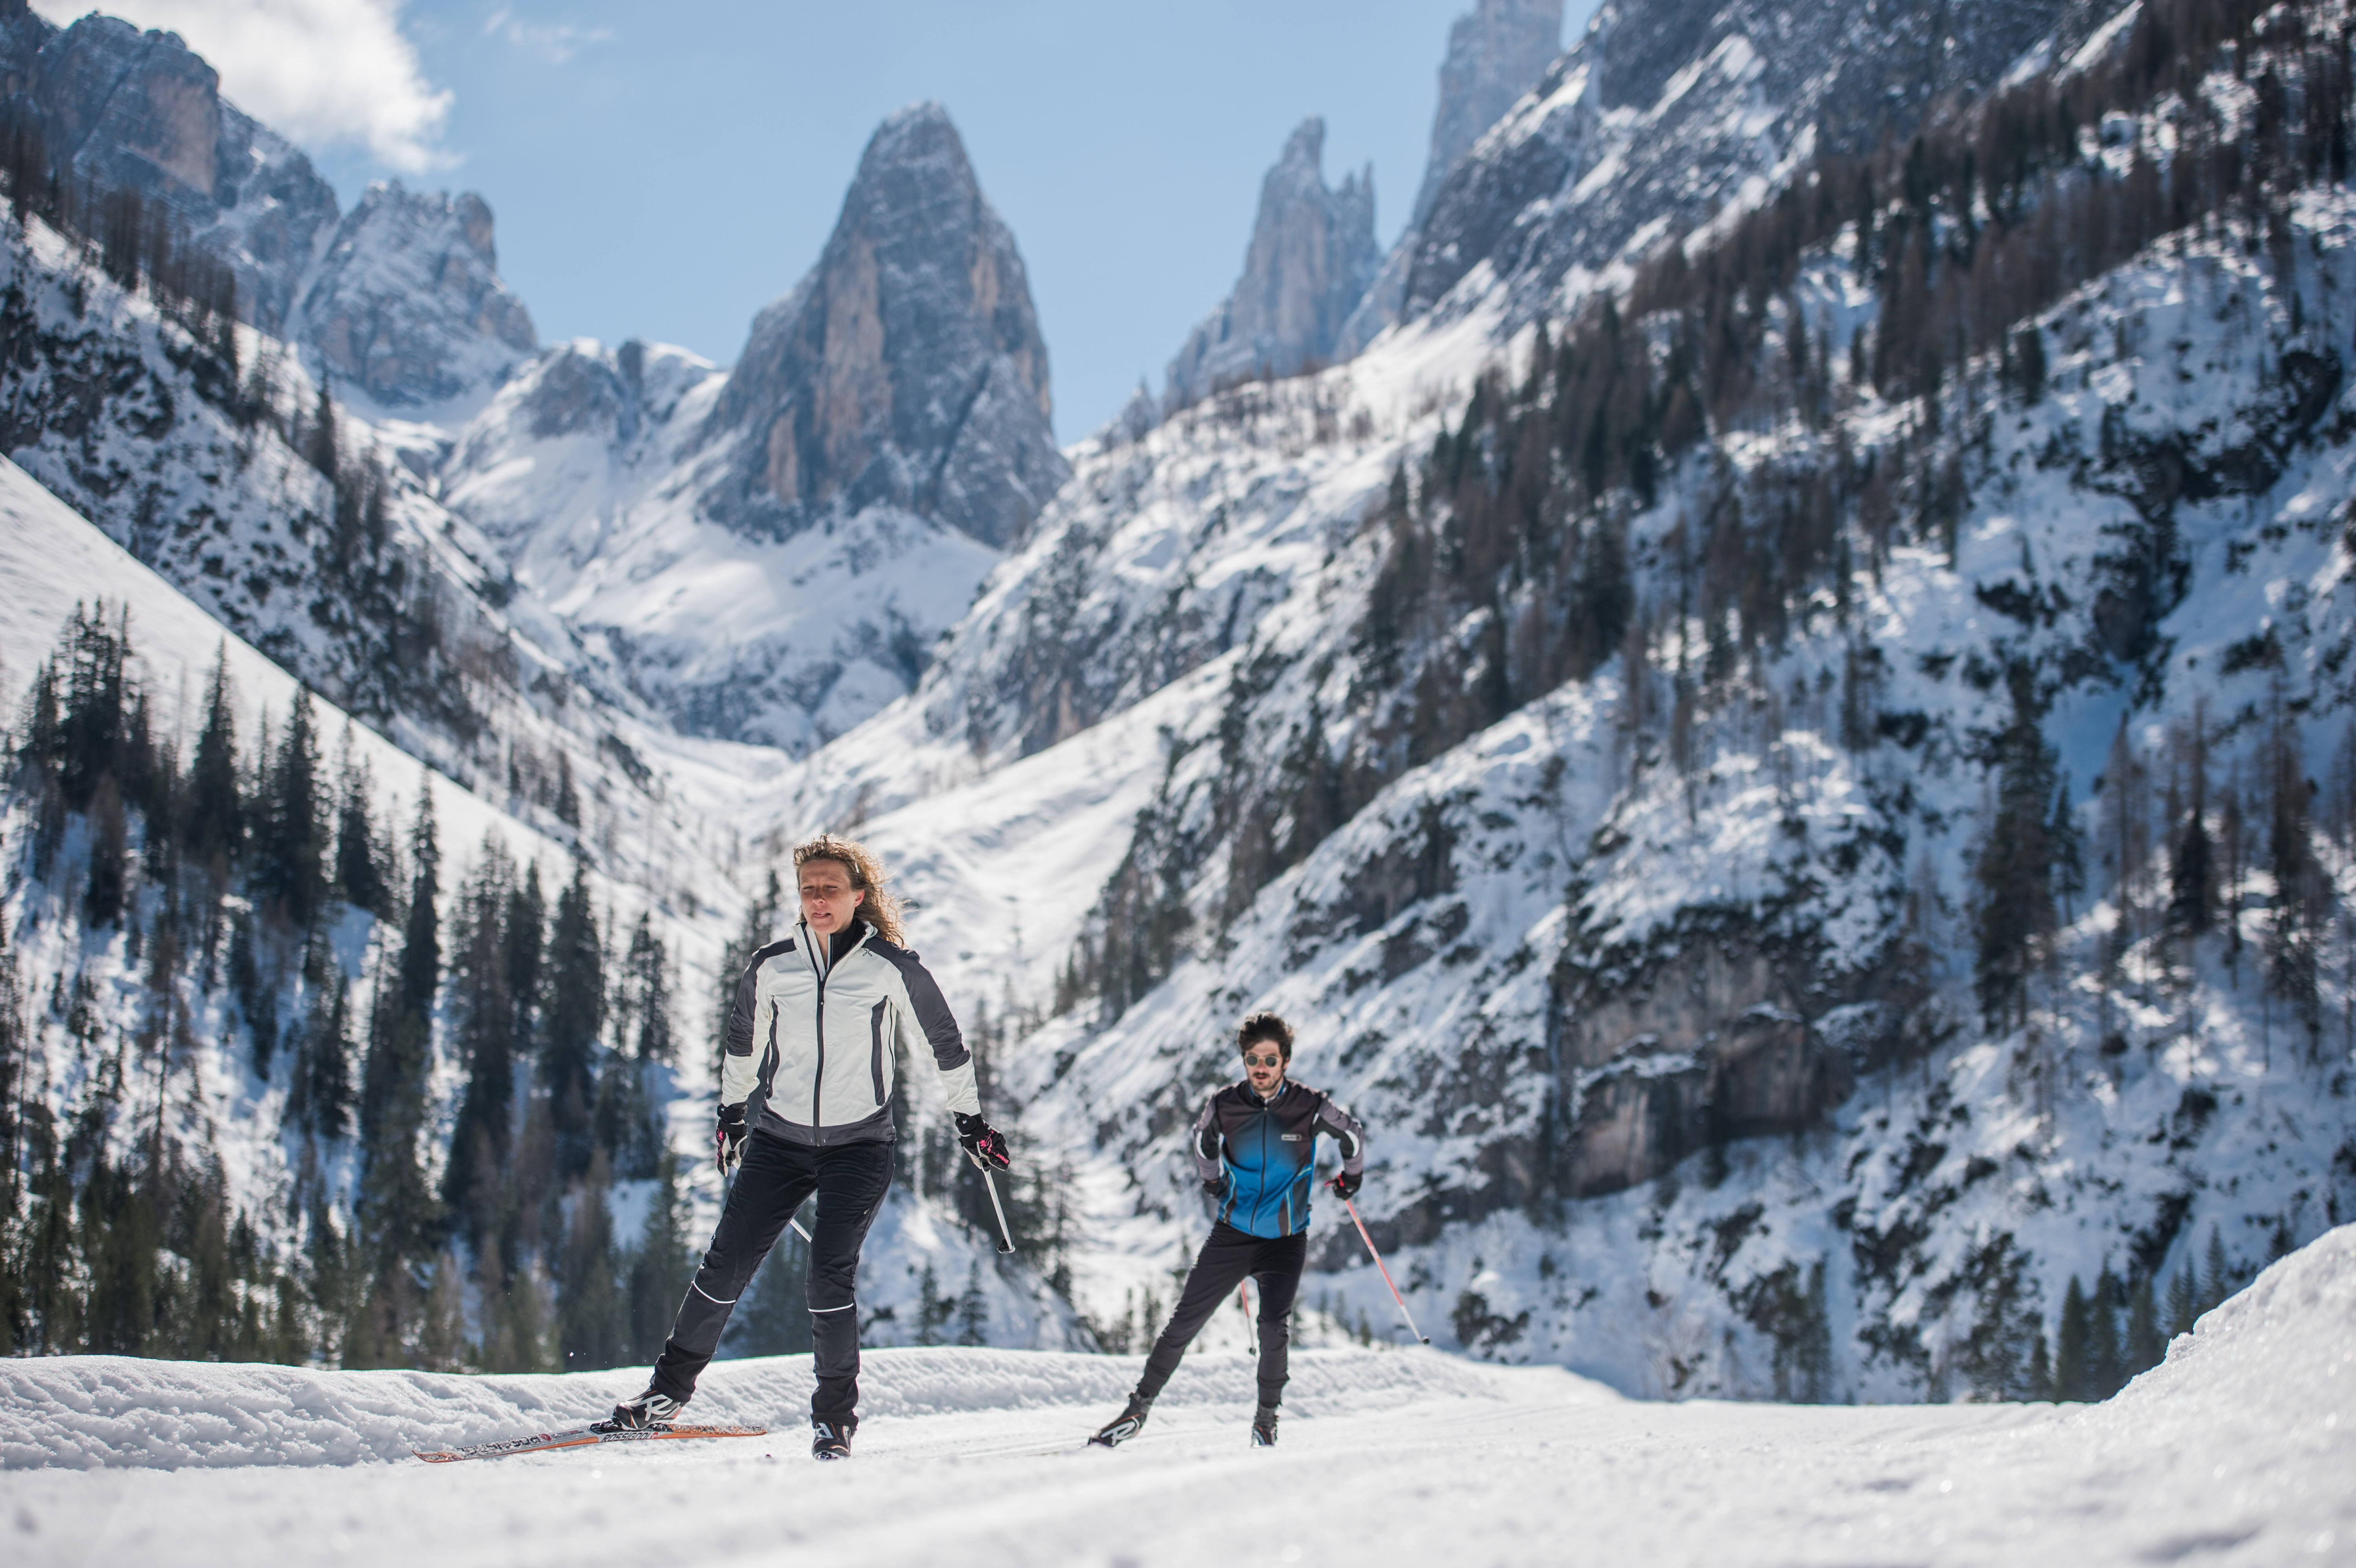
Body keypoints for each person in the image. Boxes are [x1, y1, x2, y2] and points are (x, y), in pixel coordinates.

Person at [610, 833, 1011, 1459]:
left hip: (860, 1147)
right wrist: (731, 1114)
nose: (818, 899)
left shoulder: (892, 966)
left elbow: (945, 1042)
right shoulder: (773, 964)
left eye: (830, 888)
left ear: (858, 895)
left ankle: (833, 1422)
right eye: (808, 889)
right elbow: (744, 1041)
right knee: (724, 1267)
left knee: (828, 1279)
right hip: (779, 1140)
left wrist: (972, 1124)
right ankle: (665, 1394)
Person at [1089, 1011, 1365, 1448]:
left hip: (1286, 1240)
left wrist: (1352, 1179)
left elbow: (1351, 1135)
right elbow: (1203, 1141)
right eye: (1252, 1058)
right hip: (1232, 1234)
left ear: (1286, 1062)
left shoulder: (1310, 1106)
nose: (1261, 1068)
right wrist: (1213, 1181)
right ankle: (1137, 1408)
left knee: (1274, 1326)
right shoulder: (1225, 1103)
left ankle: (1265, 1421)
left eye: (1270, 1060)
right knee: (1184, 1322)